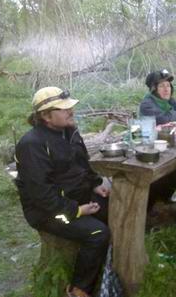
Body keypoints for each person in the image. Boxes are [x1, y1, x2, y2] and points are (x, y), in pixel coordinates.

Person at [14, 87, 110, 297]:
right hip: (49, 212)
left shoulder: (70, 131)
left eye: (70, 107)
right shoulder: (32, 145)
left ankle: (113, 267)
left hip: (77, 197)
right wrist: (77, 211)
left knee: (117, 206)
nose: (71, 112)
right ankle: (79, 290)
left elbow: (82, 164)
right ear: (46, 116)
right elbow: (42, 196)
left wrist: (95, 183)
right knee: (98, 233)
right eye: (64, 109)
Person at [139, 69, 176, 211]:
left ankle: (162, 201)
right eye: (161, 86)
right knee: (160, 175)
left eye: (168, 85)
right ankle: (146, 208)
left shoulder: (168, 100)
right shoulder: (147, 104)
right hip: (148, 148)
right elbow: (167, 119)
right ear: (154, 89)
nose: (166, 89)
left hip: (166, 146)